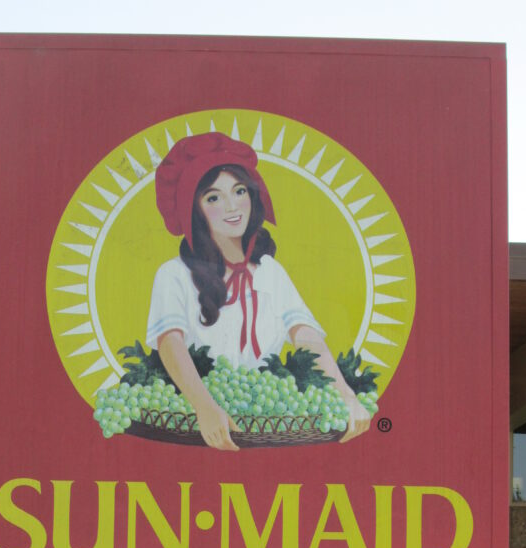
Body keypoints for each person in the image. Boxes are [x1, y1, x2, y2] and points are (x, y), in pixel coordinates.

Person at [148, 132, 370, 450]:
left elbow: (305, 335)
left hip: (267, 414)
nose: (232, 206)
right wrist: (205, 407)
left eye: (239, 191)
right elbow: (171, 343)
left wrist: (345, 394)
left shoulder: (271, 272)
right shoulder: (174, 275)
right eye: (213, 197)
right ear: (193, 210)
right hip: (199, 420)